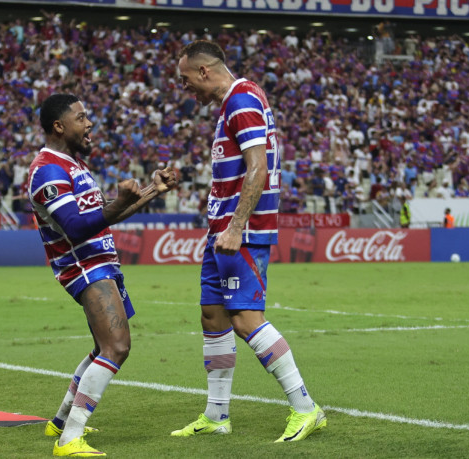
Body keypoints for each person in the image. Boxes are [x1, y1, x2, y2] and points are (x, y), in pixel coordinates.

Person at [171, 40, 325, 444]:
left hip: (241, 233)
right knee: (213, 317)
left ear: (205, 71)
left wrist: (238, 225)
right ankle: (216, 415)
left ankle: (306, 407)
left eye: (186, 80)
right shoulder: (235, 102)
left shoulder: (241, 99)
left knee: (244, 319)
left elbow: (258, 167)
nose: (186, 89)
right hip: (220, 232)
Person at [29, 94, 177, 457]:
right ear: (59, 126)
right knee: (117, 347)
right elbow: (77, 227)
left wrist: (150, 192)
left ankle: (61, 422)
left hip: (100, 263)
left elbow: (107, 214)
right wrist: (121, 202)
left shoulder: (74, 164)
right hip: (83, 266)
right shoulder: (48, 169)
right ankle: (69, 441)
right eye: (81, 118)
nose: (89, 123)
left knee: (102, 348)